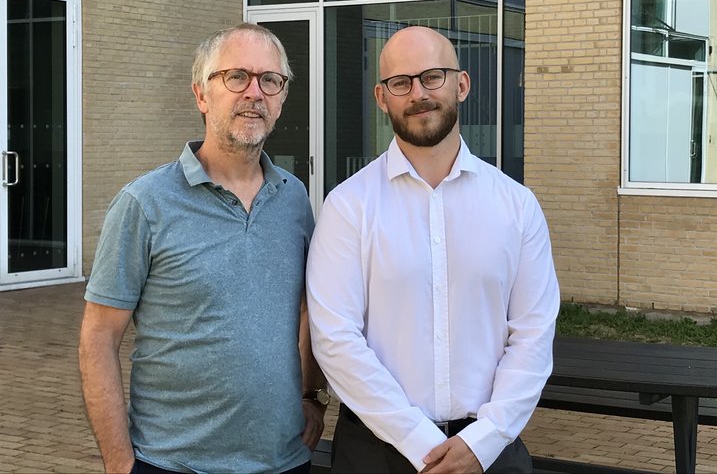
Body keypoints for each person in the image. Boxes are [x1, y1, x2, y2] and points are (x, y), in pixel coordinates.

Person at [306, 25, 561, 474]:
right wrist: (420, 441)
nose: (418, 93)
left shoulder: (516, 206)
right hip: (376, 452)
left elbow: (534, 333)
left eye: (432, 77)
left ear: (461, 84)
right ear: (381, 98)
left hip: (489, 450)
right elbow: (336, 340)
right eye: (400, 83)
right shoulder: (348, 207)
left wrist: (485, 439)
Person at [79, 23, 327, 474]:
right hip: (171, 463)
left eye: (270, 80)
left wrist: (311, 395)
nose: (255, 93)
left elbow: (309, 309)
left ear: (282, 98)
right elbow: (99, 337)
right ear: (200, 95)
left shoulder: (293, 199)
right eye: (237, 77)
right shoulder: (145, 204)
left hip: (284, 462)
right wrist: (119, 463)